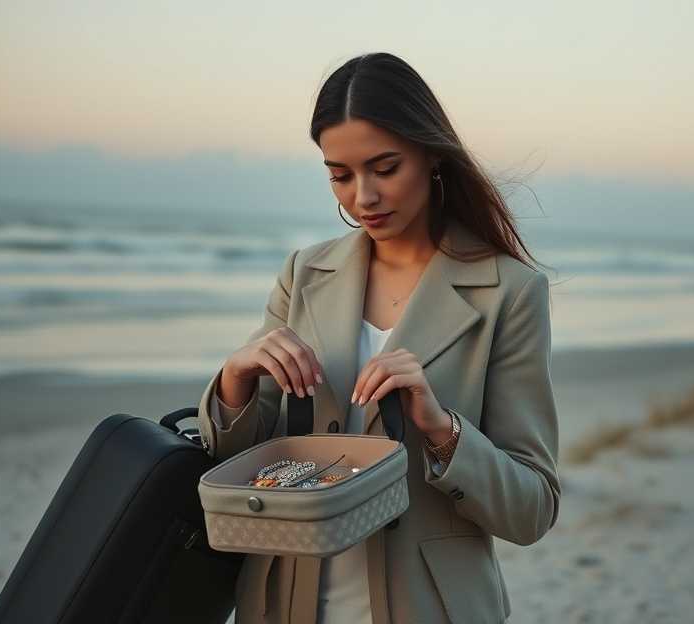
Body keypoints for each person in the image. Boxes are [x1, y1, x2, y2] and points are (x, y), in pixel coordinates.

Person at [196, 52, 560, 624]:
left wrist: (442, 430)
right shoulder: (304, 274)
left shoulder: (509, 292)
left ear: (431, 156)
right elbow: (239, 466)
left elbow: (532, 509)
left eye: (384, 168)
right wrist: (235, 383)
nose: (362, 196)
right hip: (285, 602)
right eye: (340, 175)